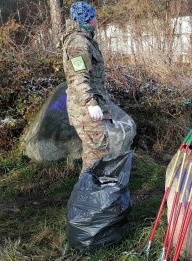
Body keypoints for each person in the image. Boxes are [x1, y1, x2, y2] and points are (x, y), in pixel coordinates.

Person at [59, 1, 135, 171]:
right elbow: (78, 77)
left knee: (99, 150)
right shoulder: (78, 43)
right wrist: (91, 103)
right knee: (96, 153)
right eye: (94, 16)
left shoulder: (85, 39)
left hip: (93, 104)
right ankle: (89, 194)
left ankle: (96, 189)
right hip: (86, 109)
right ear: (86, 19)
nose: (97, 19)